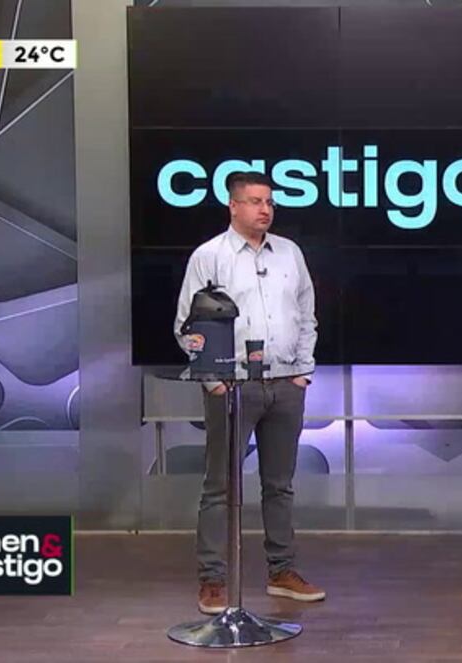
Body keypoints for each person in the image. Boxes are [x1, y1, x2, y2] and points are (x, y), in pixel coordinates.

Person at [174, 171, 323, 615]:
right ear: (233, 206)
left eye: (270, 202)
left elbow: (307, 315)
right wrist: (212, 378)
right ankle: (213, 580)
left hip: (286, 385)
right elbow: (187, 326)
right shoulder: (210, 256)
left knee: (280, 485)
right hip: (232, 388)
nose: (265, 209)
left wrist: (302, 371)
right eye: (256, 201)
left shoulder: (290, 253)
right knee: (220, 486)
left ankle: (282, 572)